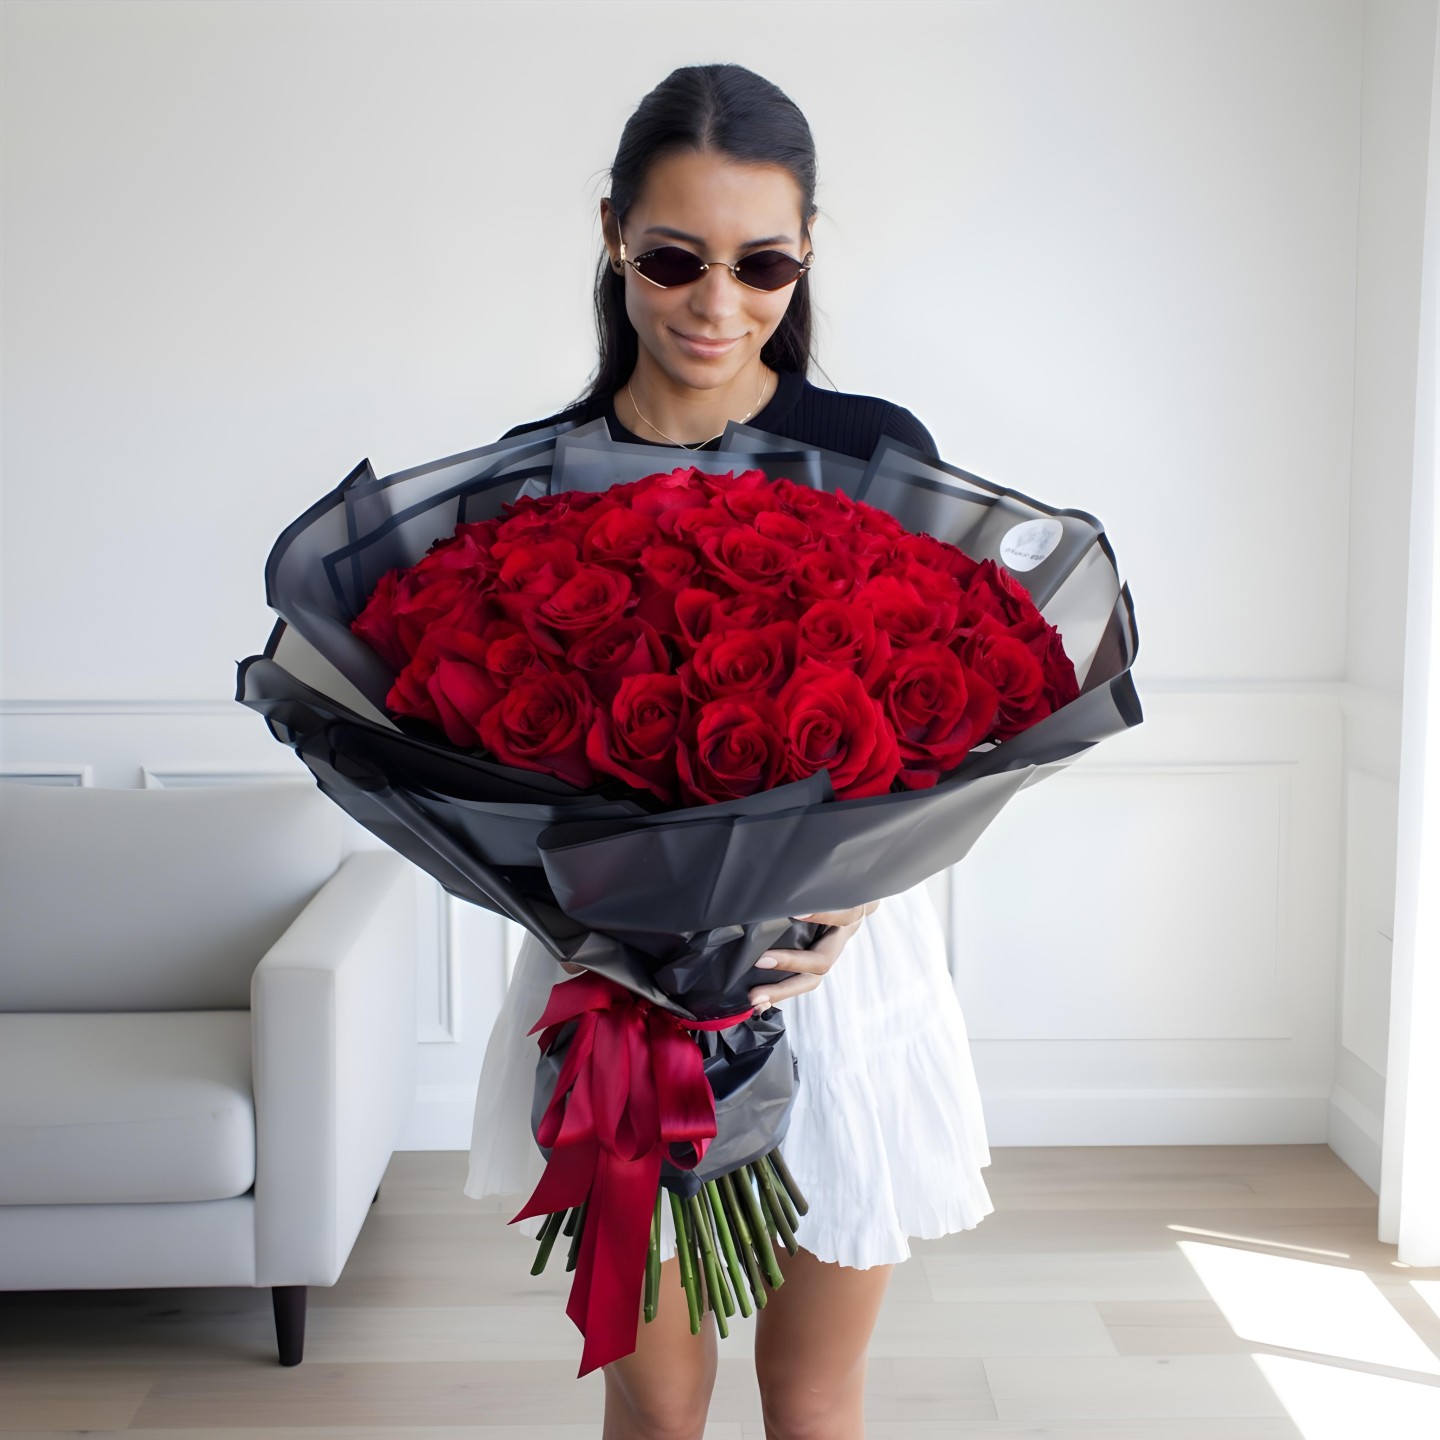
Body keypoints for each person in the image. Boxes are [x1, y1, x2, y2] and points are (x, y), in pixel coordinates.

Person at [464, 63, 993, 1440]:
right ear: (611, 237)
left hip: (840, 974)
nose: (716, 304)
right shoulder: (532, 478)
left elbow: (957, 725)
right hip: (617, 995)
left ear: (807, 251)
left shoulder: (878, 454)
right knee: (656, 1401)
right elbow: (472, 763)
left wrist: (857, 896)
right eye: (674, 258)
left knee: (814, 1396)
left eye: (762, 262)